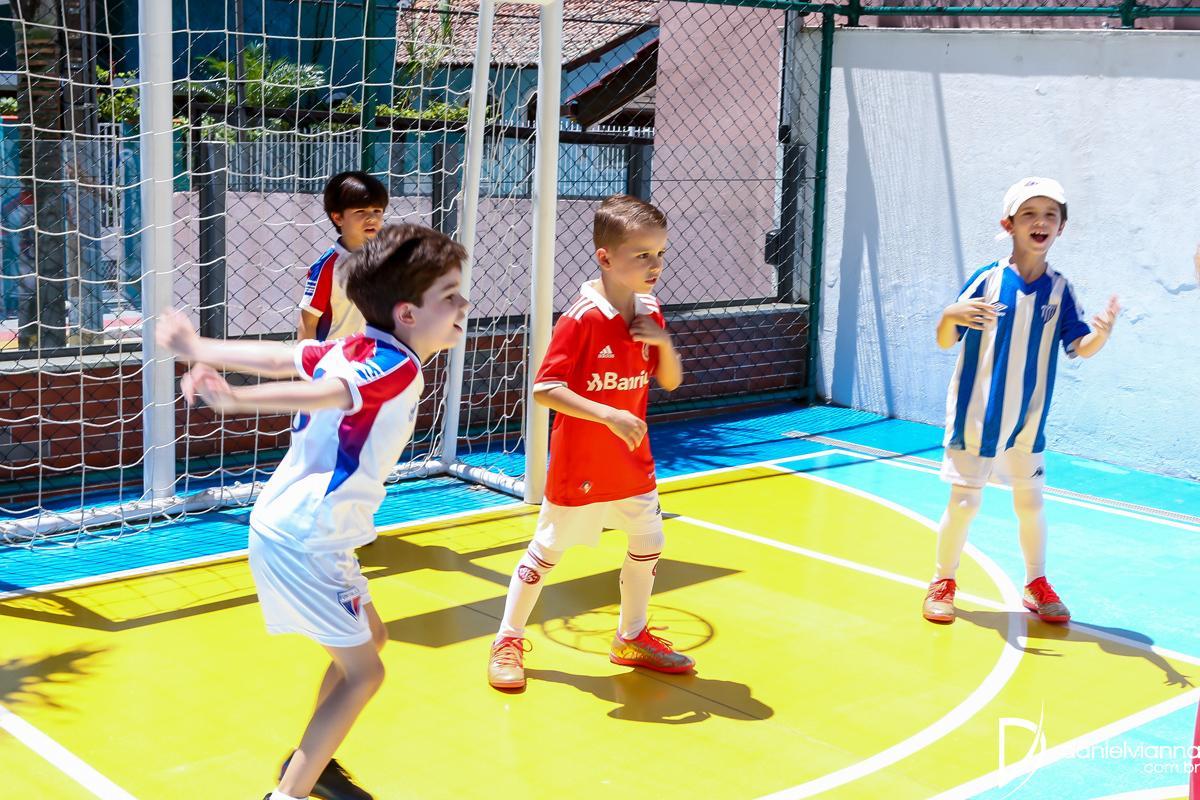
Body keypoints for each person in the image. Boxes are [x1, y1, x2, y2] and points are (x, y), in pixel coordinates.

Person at [158, 224, 469, 800]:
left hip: (306, 531)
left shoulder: (356, 347)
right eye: (450, 295)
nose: (464, 304)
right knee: (366, 673)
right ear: (406, 313)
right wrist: (235, 399)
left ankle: (312, 763)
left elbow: (282, 356)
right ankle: (289, 793)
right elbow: (324, 393)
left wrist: (199, 347)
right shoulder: (394, 367)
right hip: (308, 538)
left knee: (371, 640)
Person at [487, 194, 691, 691]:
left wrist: (663, 343)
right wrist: (607, 413)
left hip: (631, 460)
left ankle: (631, 637)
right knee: (548, 550)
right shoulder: (580, 318)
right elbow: (545, 389)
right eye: (642, 255)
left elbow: (670, 381)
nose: (655, 265)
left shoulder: (650, 311)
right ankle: (507, 640)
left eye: (660, 254)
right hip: (580, 463)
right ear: (605, 257)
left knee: (649, 541)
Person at [922, 177, 1121, 625]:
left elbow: (1079, 347)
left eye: (1051, 214)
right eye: (1029, 213)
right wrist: (948, 315)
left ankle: (1036, 584)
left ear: (1061, 227)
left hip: (1027, 423)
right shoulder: (987, 280)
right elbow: (946, 340)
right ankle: (942, 581)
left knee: (1030, 505)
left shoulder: (1060, 290)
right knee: (965, 504)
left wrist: (1102, 335)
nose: (1040, 221)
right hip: (977, 417)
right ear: (1008, 225)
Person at [298, 171, 388, 341]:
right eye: (361, 211)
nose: (371, 218)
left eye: (377, 210)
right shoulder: (328, 266)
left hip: (376, 356)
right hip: (336, 356)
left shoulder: (389, 260)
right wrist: (306, 358)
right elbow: (308, 323)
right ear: (338, 218)